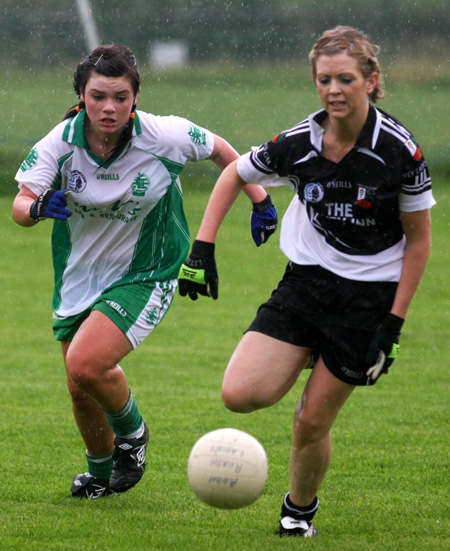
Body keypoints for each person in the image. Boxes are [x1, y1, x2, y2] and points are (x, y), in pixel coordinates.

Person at [178, 26, 435, 537]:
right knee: (239, 393)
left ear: (371, 79)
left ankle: (298, 512)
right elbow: (234, 173)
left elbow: (420, 242)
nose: (334, 89)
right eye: (324, 80)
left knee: (311, 420)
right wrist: (202, 248)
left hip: (367, 300)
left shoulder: (399, 151)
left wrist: (394, 323)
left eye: (345, 78)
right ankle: (311, 351)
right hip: (306, 284)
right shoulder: (297, 143)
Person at [12, 44, 277, 500]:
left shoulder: (165, 135)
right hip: (78, 275)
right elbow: (19, 204)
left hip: (147, 271)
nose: (109, 107)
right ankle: (99, 476)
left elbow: (222, 152)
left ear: (135, 96)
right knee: (80, 387)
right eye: (98, 96)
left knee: (86, 363)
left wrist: (259, 198)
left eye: (120, 96)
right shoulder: (58, 143)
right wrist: (36, 206)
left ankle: (132, 436)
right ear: (81, 96)